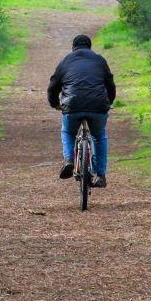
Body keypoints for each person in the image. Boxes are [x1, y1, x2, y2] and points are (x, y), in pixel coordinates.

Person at [48, 34, 115, 188]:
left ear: (73, 47)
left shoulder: (66, 61)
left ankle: (69, 160)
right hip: (98, 106)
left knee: (68, 132)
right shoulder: (99, 60)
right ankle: (101, 175)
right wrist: (108, 103)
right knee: (99, 136)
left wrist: (55, 104)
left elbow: (52, 87)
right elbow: (110, 85)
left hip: (72, 106)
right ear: (89, 47)